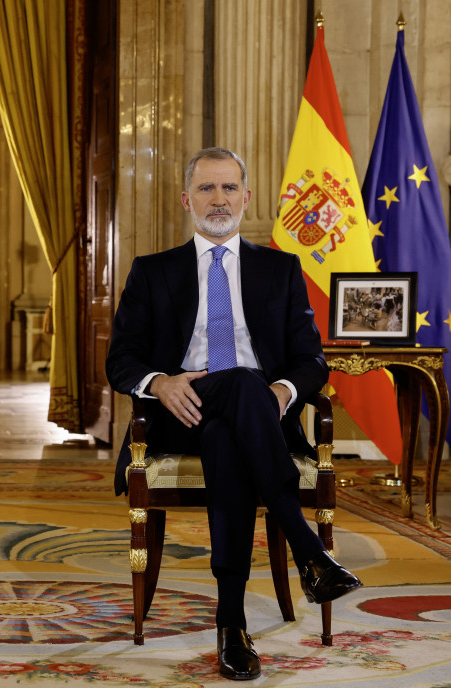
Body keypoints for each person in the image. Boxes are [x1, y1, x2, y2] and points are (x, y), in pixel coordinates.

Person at [105, 147, 362, 680]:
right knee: (240, 390)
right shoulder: (152, 272)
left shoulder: (280, 269)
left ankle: (232, 624)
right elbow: (120, 360)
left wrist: (285, 392)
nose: (218, 200)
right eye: (206, 189)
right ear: (186, 200)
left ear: (247, 198)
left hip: (256, 416)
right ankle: (308, 549)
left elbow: (311, 359)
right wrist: (161, 382)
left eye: (228, 189)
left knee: (233, 424)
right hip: (179, 414)